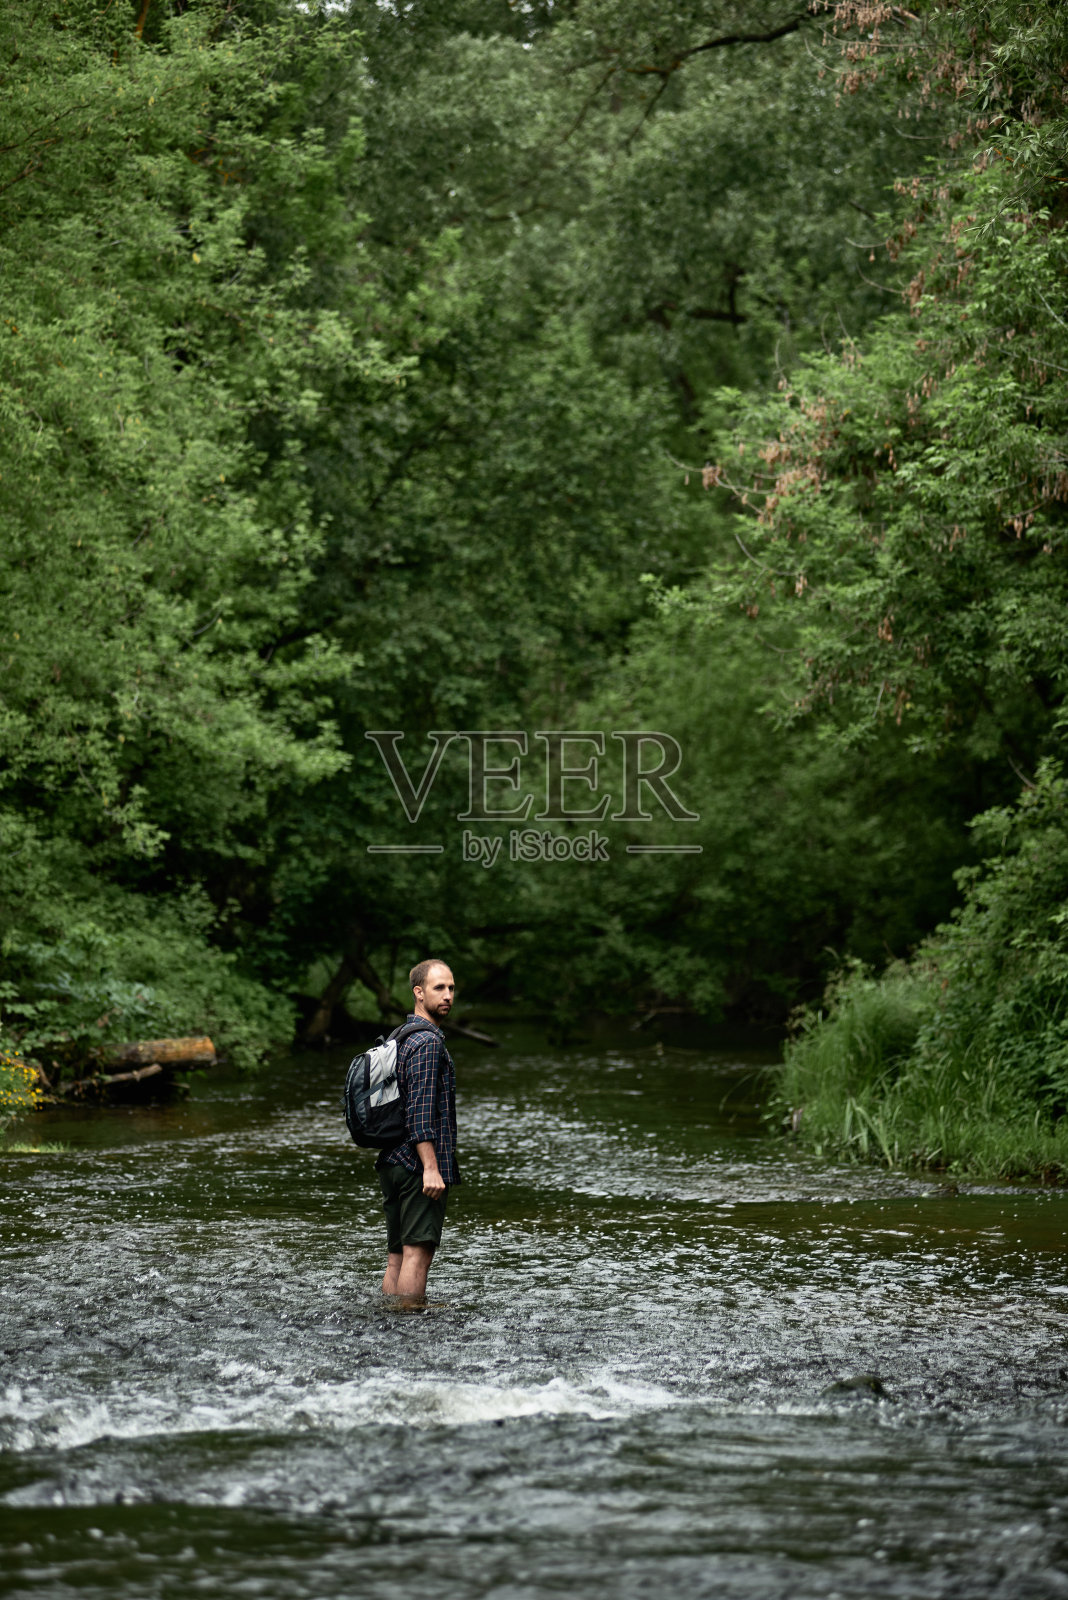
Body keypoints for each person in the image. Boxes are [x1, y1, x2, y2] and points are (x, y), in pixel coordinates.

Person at [378, 959, 460, 1298]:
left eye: (451, 988)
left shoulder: (401, 1036)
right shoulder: (427, 1043)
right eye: (439, 988)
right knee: (417, 1255)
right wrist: (431, 1167)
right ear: (418, 992)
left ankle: (392, 1322)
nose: (447, 995)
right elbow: (420, 1111)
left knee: (397, 1256)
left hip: (393, 1160)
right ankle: (410, 1328)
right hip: (416, 1166)